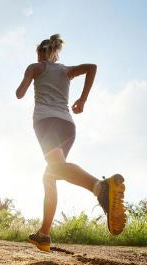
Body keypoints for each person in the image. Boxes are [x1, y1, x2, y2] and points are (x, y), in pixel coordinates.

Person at [15, 34, 126, 252]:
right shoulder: (66, 70)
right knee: (51, 175)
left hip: (46, 122)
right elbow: (92, 67)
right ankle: (44, 234)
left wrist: (29, 75)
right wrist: (82, 99)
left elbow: (20, 94)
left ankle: (100, 187)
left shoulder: (35, 67)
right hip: (67, 125)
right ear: (55, 54)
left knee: (55, 169)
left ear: (41, 54)